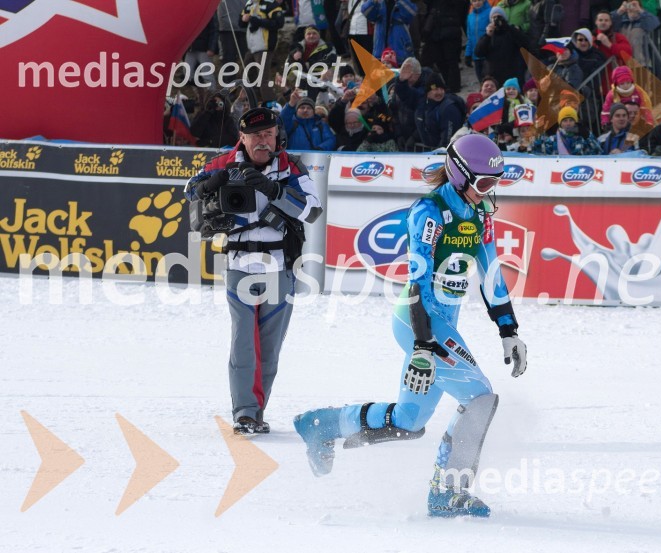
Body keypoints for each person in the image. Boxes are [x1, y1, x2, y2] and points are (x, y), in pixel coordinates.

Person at [294, 133, 528, 517]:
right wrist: (423, 345)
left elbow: (492, 278)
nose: (490, 192)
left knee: (409, 421)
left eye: (495, 184)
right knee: (480, 397)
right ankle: (446, 493)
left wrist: (509, 331)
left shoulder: (481, 216)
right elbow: (417, 282)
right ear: (459, 174)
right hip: (420, 321)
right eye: (484, 183)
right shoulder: (430, 212)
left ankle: (322, 424)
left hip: (440, 323)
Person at [184, 108, 323, 434]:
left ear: (277, 136)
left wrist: (275, 191)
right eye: (255, 136)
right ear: (242, 138)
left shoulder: (291, 166)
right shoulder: (224, 162)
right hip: (238, 267)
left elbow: (313, 210)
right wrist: (209, 183)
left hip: (279, 266)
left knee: (269, 347)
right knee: (243, 342)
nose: (263, 141)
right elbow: (189, 188)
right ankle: (245, 413)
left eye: (268, 135)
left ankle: (256, 411)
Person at [240, 0, 286, 102]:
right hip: (251, 47)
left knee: (262, 79)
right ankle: (255, 101)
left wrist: (259, 21)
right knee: (248, 75)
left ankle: (271, 105)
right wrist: (243, 19)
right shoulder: (249, 4)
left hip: (264, 46)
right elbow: (241, 23)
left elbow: (279, 23)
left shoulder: (270, 4)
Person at [466, 0, 492, 83]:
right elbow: (469, 37)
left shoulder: (490, 12)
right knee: (481, 81)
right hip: (476, 55)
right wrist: (468, 54)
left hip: (488, 54)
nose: (477, 3)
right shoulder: (470, 17)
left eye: (479, 0)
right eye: (474, 1)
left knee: (490, 80)